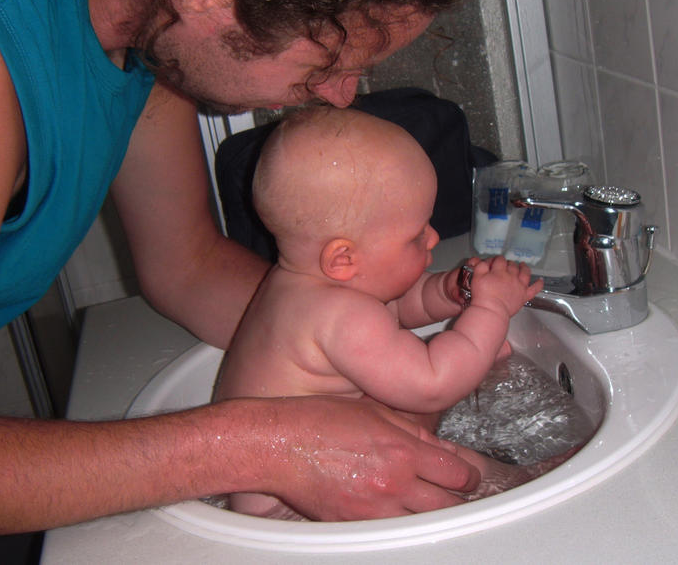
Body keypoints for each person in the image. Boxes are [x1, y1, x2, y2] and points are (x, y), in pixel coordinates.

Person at [0, 0, 482, 551]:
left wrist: (364, 359)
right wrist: (261, 444)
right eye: (325, 64)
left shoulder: (146, 7)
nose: (342, 96)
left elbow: (187, 264)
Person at [213, 107, 544, 519]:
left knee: (416, 443)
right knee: (447, 466)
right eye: (416, 234)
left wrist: (447, 291)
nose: (434, 237)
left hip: (275, 486)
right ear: (344, 257)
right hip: (297, 509)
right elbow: (433, 382)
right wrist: (491, 311)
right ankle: (527, 486)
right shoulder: (340, 315)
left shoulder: (301, 285)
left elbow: (398, 306)